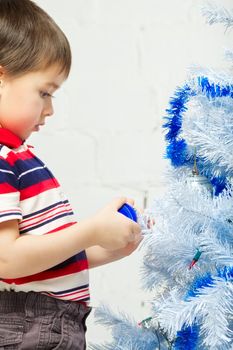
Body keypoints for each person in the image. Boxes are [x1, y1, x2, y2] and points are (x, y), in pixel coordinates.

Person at [0, 0, 143, 349]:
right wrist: (90, 230)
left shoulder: (20, 156)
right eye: (44, 92)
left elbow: (43, 260)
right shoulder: (3, 158)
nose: (50, 110)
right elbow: (7, 259)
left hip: (46, 323)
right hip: (30, 326)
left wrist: (107, 247)